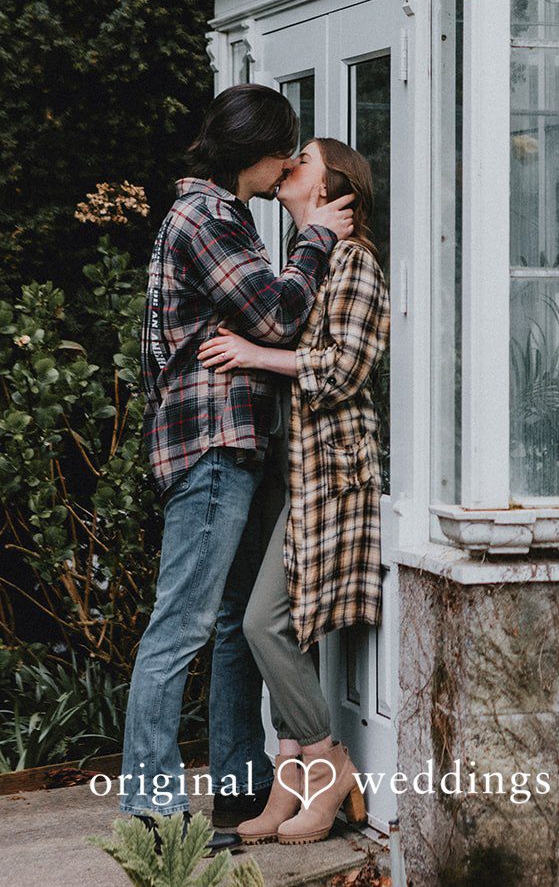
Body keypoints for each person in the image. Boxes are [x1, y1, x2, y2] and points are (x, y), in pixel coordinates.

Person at [123, 85, 354, 850]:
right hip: (213, 447)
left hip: (228, 446)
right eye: (283, 151)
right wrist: (314, 238)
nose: (288, 164)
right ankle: (152, 811)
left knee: (228, 622)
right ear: (254, 153)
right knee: (180, 626)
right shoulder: (208, 219)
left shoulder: (211, 215)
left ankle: (238, 784)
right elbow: (278, 314)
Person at [198, 138, 389, 845]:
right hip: (285, 473)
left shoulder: (357, 263)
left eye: (301, 158)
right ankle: (293, 772)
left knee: (264, 623)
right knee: (287, 625)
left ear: (330, 184)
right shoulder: (304, 261)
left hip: (329, 476)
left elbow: (343, 370)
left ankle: (328, 760)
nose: (286, 166)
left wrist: (254, 353)